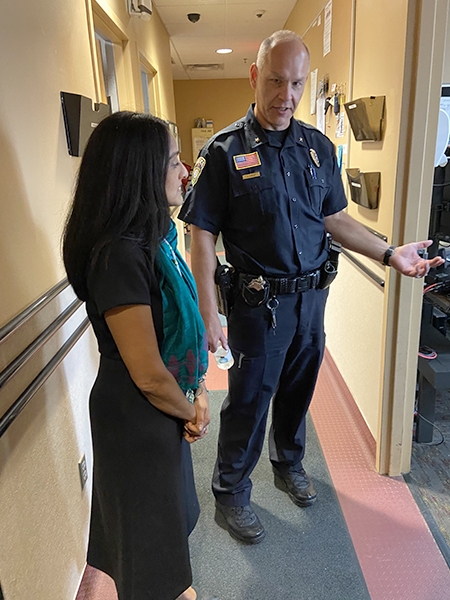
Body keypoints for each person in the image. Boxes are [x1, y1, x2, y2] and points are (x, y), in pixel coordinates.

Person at [179, 29, 444, 545]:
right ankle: (231, 490)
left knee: (299, 390)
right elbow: (202, 239)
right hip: (259, 307)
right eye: (276, 81)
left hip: (311, 300)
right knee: (251, 400)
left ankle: (289, 462)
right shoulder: (225, 152)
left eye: (297, 83)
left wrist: (390, 254)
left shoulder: (318, 148)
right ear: (256, 76)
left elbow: (336, 220)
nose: (287, 95)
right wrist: (208, 312)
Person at [63, 111, 209, 600]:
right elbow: (147, 372)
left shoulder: (157, 241)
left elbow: (177, 339)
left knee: (160, 543)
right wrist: (190, 409)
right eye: (173, 161)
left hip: (160, 408)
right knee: (150, 557)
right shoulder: (119, 255)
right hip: (135, 419)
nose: (185, 170)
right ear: (141, 173)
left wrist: (199, 391)